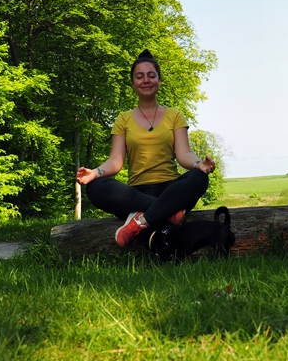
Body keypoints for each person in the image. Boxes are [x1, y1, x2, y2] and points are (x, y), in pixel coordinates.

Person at [76, 50, 216, 247]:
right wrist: (95, 173)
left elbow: (183, 154)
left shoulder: (175, 115)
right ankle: (169, 212)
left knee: (199, 178)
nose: (146, 80)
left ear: (159, 80)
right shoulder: (123, 119)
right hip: (135, 196)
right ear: (133, 83)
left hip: (172, 190)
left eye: (151, 75)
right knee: (95, 187)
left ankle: (140, 221)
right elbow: (115, 161)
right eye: (140, 76)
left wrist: (199, 164)